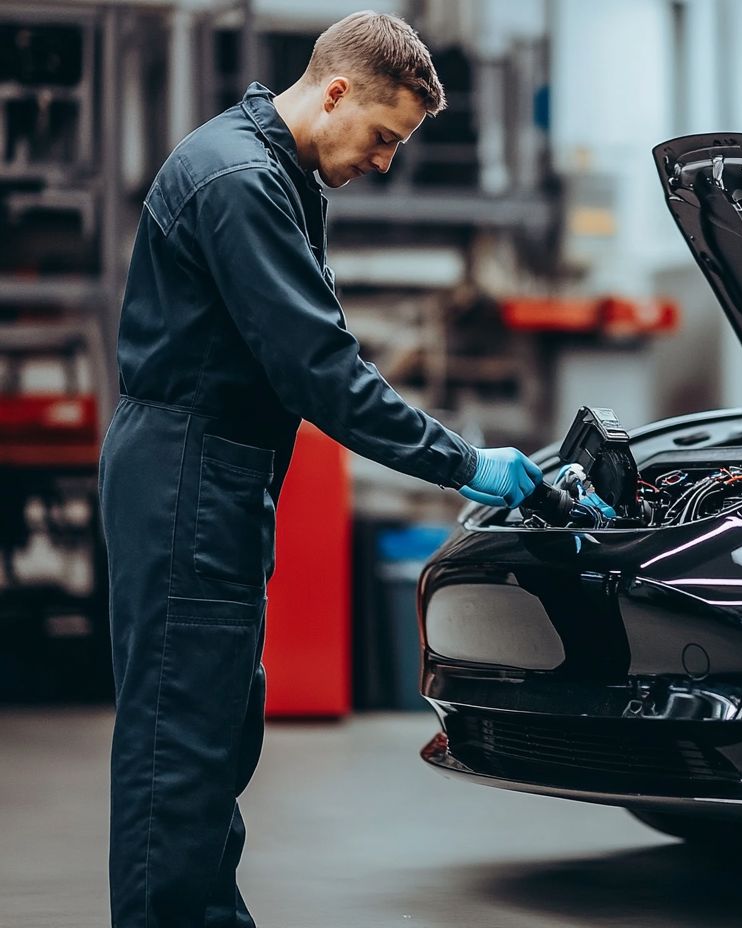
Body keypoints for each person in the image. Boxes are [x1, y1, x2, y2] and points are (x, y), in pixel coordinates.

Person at [98, 12, 541, 927]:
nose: (384, 161)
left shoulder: (268, 172)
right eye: (384, 137)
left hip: (210, 471)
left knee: (214, 732)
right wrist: (464, 464)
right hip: (189, 473)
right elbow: (321, 370)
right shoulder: (241, 181)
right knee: (181, 743)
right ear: (335, 91)